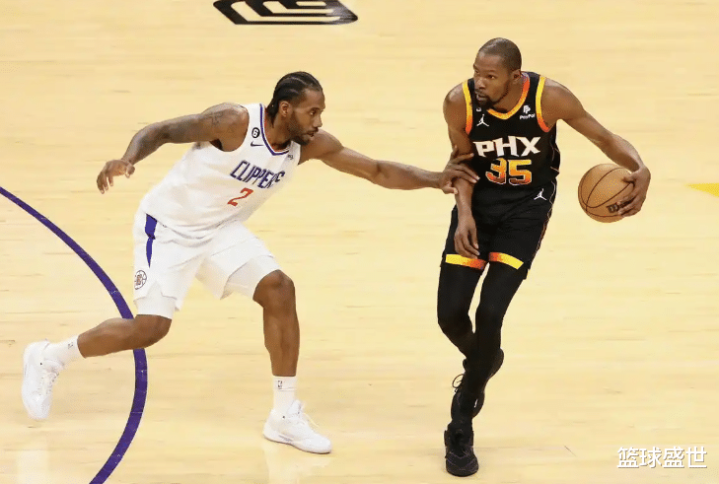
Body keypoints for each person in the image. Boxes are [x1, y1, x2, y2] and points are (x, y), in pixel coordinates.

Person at [21, 71, 479, 455]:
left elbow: (375, 170)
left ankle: (284, 415)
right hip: (170, 227)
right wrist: (127, 159)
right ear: (285, 109)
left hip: (220, 230)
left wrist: (435, 178)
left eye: (321, 112)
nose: (319, 121)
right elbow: (160, 130)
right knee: (150, 330)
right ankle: (49, 357)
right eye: (312, 112)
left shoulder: (309, 144)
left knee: (279, 289)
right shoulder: (234, 122)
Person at [437, 38, 651, 476]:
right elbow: (460, 163)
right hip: (477, 206)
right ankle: (485, 359)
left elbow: (603, 136)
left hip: (527, 210)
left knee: (490, 312)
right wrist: (463, 216)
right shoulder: (459, 102)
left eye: (490, 76)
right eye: (476, 72)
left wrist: (639, 167)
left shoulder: (549, 98)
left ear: (515, 77)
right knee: (450, 315)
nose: (479, 82)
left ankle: (461, 422)